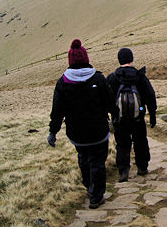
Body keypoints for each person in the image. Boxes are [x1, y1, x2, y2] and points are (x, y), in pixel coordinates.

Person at [48, 39, 118, 209]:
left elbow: (57, 111)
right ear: (86, 58)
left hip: (76, 132)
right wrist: (116, 119)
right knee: (98, 161)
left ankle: (89, 186)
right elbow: (110, 103)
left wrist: (53, 132)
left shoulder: (63, 82)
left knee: (83, 157)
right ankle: (96, 195)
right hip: (99, 130)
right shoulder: (99, 78)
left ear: (70, 61)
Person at [107, 47, 157, 182]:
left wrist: (108, 115)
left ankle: (123, 171)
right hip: (138, 117)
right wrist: (152, 115)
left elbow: (106, 98)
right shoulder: (140, 76)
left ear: (119, 60)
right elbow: (150, 95)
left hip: (119, 119)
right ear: (131, 58)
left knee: (122, 144)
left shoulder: (113, 78)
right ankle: (142, 167)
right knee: (140, 141)